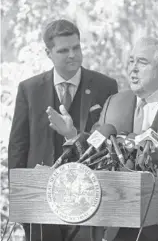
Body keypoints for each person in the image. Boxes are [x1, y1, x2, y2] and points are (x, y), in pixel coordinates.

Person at [49, 36, 158, 241]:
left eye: (142, 62)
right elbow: (95, 152)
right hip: (115, 229)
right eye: (131, 61)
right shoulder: (114, 103)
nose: (133, 68)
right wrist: (72, 134)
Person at [8, 19, 118, 241]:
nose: (72, 55)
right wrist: (20, 199)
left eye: (76, 47)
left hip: (89, 199)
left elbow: (109, 144)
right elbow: (18, 147)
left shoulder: (105, 86)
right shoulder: (29, 89)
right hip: (40, 200)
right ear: (48, 53)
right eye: (63, 50)